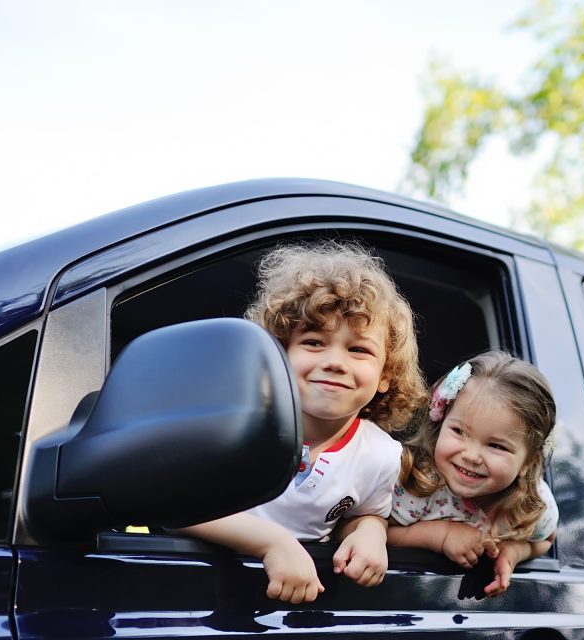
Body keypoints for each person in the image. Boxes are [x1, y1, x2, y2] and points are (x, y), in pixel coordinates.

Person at [178, 240, 427, 604]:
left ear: (385, 373)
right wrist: (272, 542)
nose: (335, 362)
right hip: (196, 592)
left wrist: (370, 533)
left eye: (358, 349)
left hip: (298, 610)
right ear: (278, 352)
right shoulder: (235, 426)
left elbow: (364, 513)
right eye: (314, 342)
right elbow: (176, 508)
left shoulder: (381, 455)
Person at [388, 351, 558, 597]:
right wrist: (441, 536)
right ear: (440, 422)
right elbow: (367, 530)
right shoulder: (416, 483)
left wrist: (515, 552)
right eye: (459, 431)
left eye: (496, 446)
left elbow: (547, 537)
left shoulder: (532, 503)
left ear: (528, 462)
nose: (471, 455)